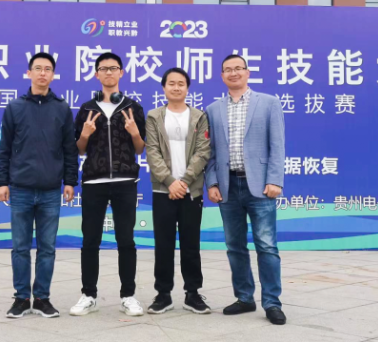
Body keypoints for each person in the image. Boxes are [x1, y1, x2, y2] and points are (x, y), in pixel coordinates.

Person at [0, 52, 78, 319]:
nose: (43, 73)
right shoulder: (15, 107)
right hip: (20, 189)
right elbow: (3, 148)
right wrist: (2, 181)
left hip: (51, 190)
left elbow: (70, 149)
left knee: (47, 248)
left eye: (48, 69)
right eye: (38, 68)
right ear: (29, 73)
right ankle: (21, 298)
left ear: (53, 75)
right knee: (20, 247)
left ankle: (42, 298)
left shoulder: (62, 108)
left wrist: (70, 181)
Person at [205, 54, 287, 325]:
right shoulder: (213, 109)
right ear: (222, 76)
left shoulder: (269, 103)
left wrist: (275, 180)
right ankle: (244, 297)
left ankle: (272, 303)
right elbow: (209, 152)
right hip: (228, 186)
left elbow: (277, 145)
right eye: (228, 70)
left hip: (260, 187)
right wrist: (212, 183)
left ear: (247, 72)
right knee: (235, 246)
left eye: (238, 68)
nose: (233, 73)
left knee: (267, 246)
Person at [70, 52, 147, 317]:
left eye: (113, 68)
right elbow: (79, 149)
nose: (109, 72)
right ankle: (88, 295)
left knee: (126, 240)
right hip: (94, 182)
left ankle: (128, 296)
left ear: (121, 72)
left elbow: (140, 148)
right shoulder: (86, 109)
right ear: (96, 74)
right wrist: (84, 134)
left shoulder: (133, 107)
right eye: (103, 69)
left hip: (125, 182)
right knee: (90, 240)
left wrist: (134, 133)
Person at [145, 68, 212, 315]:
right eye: (171, 83)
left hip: (190, 191)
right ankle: (163, 294)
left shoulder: (198, 116)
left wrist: (183, 182)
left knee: (190, 244)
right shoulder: (154, 116)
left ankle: (192, 294)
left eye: (181, 83)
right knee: (163, 244)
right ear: (164, 88)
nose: (176, 87)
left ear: (187, 88)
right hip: (163, 190)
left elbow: (203, 151)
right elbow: (152, 152)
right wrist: (170, 182)